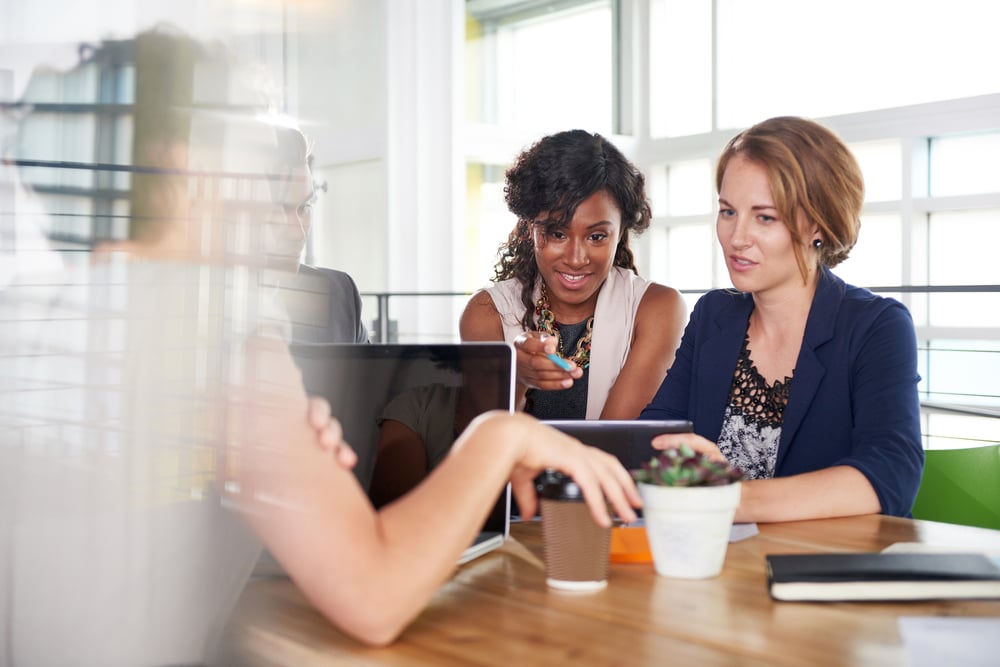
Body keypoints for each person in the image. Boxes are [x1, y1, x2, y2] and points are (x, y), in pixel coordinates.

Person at [0, 28, 642, 664]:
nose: (284, 181)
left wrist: (279, 471)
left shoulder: (52, 317)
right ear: (180, 170)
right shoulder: (224, 334)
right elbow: (374, 598)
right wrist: (504, 436)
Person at [641, 116, 923, 523]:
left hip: (825, 572)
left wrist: (727, 498)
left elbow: (890, 474)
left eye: (764, 217)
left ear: (818, 225)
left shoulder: (876, 325)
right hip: (717, 563)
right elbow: (655, 435)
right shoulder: (712, 316)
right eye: (727, 211)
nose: (737, 237)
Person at [460, 129, 687, 420]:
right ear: (531, 227)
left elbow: (615, 441)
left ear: (620, 234)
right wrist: (516, 377)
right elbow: (484, 444)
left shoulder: (657, 308)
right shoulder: (486, 313)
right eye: (557, 233)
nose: (576, 259)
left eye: (597, 236)